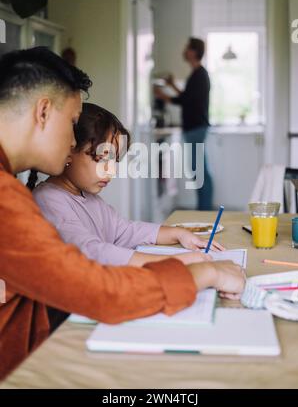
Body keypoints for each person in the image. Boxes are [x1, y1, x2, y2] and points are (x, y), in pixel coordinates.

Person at [0, 47, 245, 380]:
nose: (74, 138)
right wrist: (206, 274)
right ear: (43, 112)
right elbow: (99, 290)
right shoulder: (7, 199)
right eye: (73, 123)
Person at [32, 103, 224, 267]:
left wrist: (179, 234)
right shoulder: (48, 200)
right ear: (69, 151)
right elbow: (92, 252)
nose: (112, 171)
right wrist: (176, 260)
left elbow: (126, 231)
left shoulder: (90, 199)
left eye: (115, 161)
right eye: (102, 159)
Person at [154, 37, 213, 210]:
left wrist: (163, 95)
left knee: (199, 171)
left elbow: (186, 100)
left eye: (187, 48)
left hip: (196, 128)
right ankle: (204, 209)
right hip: (195, 128)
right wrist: (172, 85)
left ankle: (204, 211)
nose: (184, 51)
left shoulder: (200, 75)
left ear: (194, 52)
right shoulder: (197, 74)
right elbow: (188, 96)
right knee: (199, 170)